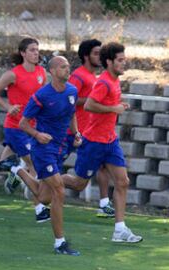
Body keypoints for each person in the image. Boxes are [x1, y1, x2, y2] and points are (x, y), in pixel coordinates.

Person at [62, 42, 143, 243]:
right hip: (93, 142)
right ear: (109, 62)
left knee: (123, 182)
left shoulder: (115, 81)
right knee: (79, 184)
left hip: (110, 141)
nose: (124, 64)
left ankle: (120, 230)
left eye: (124, 60)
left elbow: (107, 105)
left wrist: (116, 106)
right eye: (120, 60)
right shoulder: (104, 82)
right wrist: (113, 109)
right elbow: (89, 105)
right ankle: (48, 178)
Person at [16, 56, 81, 255]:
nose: (67, 69)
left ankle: (16, 169)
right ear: (52, 71)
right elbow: (23, 124)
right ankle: (60, 243)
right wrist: (37, 134)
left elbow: (72, 114)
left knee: (43, 197)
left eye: (68, 66)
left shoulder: (72, 91)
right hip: (43, 150)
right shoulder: (41, 96)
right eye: (62, 67)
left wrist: (76, 133)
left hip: (60, 148)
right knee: (59, 191)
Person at [0, 37, 50, 223]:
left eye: (37, 49)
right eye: (32, 50)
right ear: (23, 53)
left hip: (32, 126)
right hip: (16, 127)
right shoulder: (13, 74)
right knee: (35, 164)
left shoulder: (41, 73)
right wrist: (8, 106)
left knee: (1, 163)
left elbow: (42, 97)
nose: (36, 53)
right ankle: (39, 208)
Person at [61, 39, 115, 218]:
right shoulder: (78, 75)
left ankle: (104, 204)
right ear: (86, 56)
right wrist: (93, 100)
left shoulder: (95, 77)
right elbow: (68, 99)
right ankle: (45, 181)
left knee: (104, 167)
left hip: (92, 132)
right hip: (76, 132)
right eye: (96, 54)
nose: (100, 57)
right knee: (79, 183)